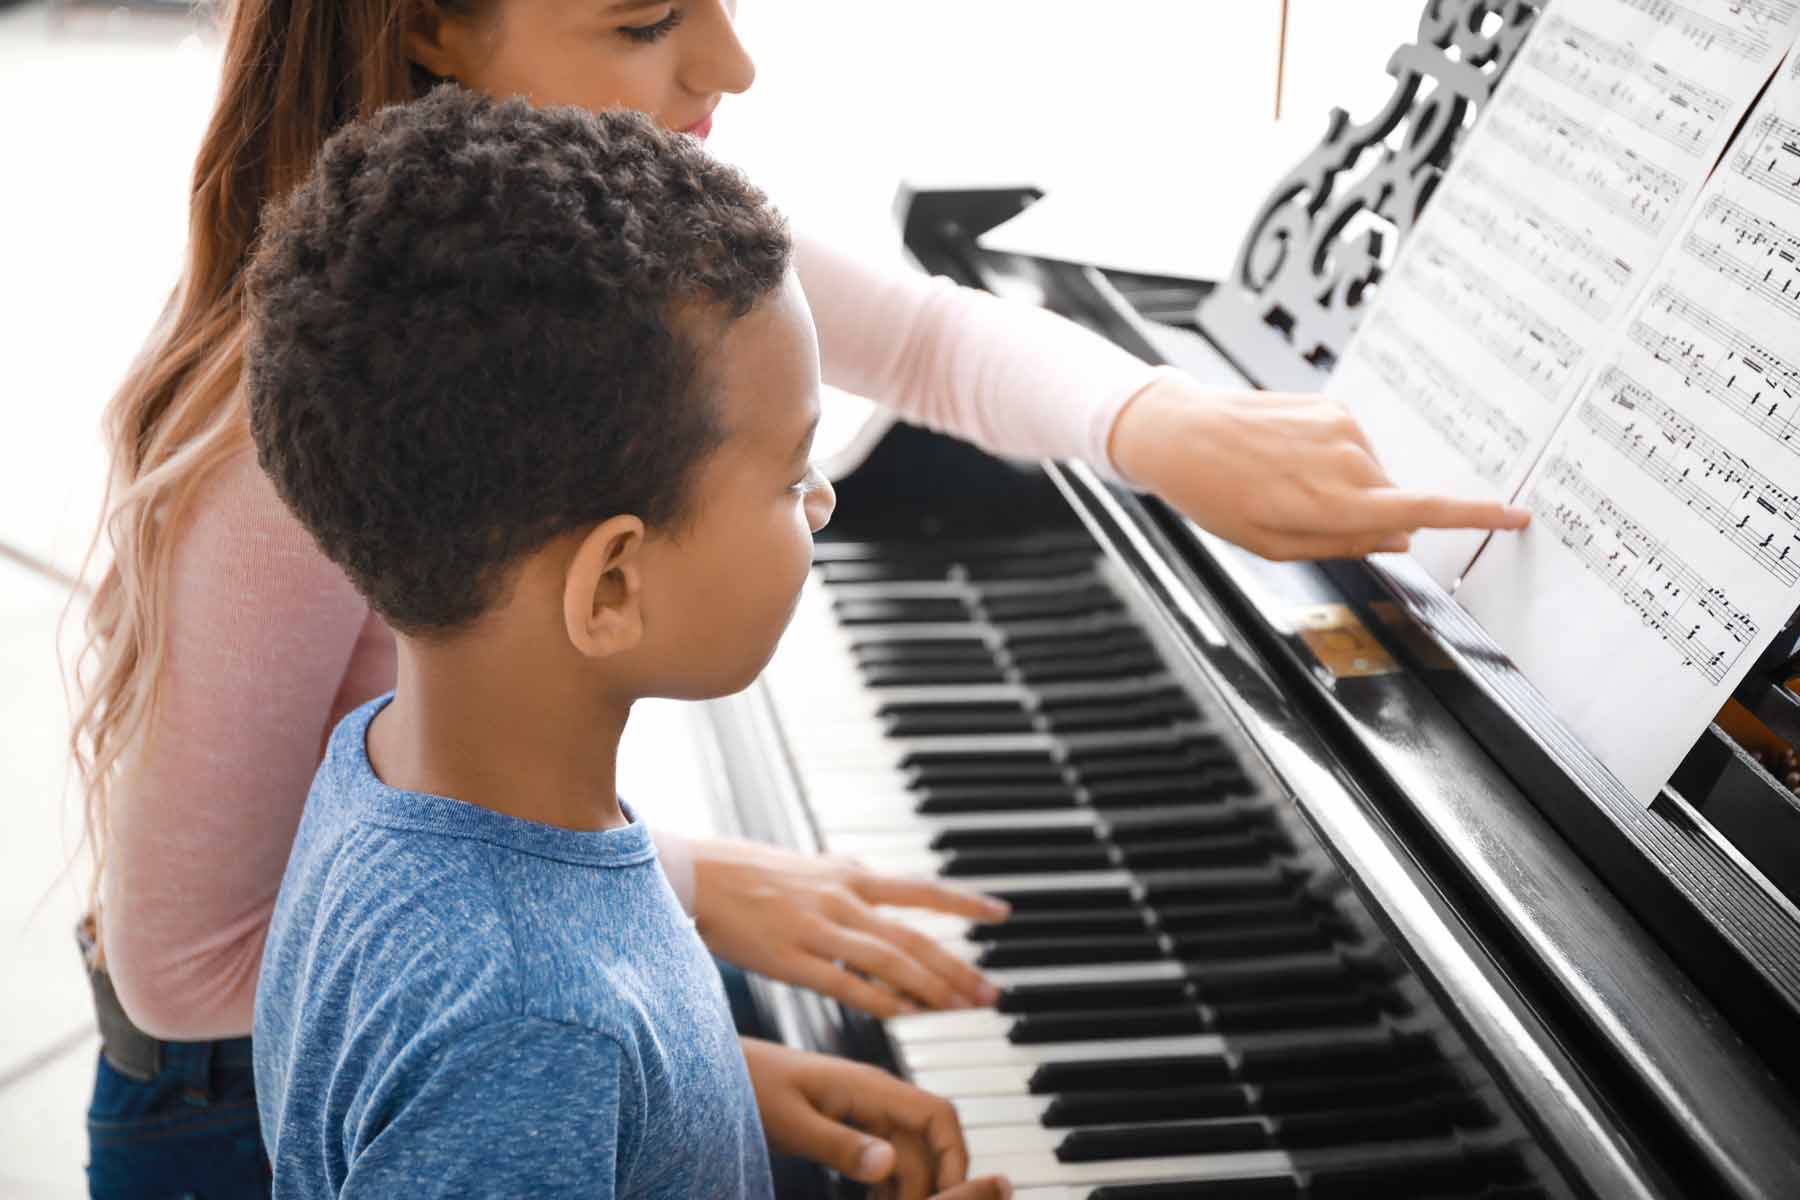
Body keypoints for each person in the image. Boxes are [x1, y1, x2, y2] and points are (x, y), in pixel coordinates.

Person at [71, 0, 1531, 1194]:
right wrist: (684, 907)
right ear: (433, 29)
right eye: (648, 20)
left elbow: (923, 337)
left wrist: (1161, 424)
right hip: (222, 1105)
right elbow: (195, 964)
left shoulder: (572, 242)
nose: (736, 63)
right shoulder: (267, 465)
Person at [243, 86, 1003, 1199]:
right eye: (793, 472)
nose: (826, 499)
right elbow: (506, 1053)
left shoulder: (385, 760)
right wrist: (583, 1091)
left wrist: (700, 1096)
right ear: (610, 586)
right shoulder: (532, 1034)